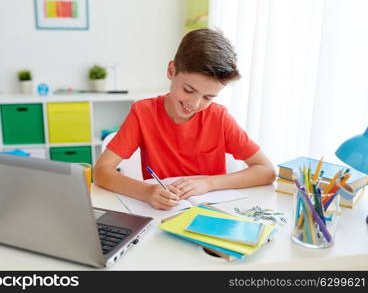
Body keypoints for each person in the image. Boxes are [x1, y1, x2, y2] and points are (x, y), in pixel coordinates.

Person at [94, 28, 276, 210]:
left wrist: (208, 183)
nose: (195, 104)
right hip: (163, 214)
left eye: (208, 97)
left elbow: (266, 171)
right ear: (171, 70)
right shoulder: (143, 113)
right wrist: (147, 192)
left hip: (212, 214)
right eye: (189, 90)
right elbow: (102, 171)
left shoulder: (219, 118)